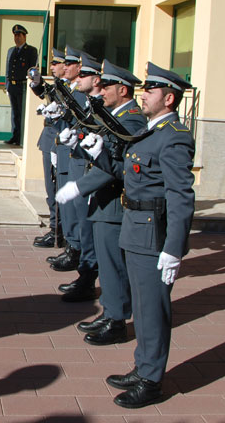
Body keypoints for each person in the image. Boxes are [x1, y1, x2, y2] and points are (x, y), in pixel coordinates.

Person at [87, 61, 195, 409]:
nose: (144, 94)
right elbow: (127, 174)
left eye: (152, 89)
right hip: (134, 228)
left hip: (153, 234)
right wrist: (99, 155)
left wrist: (174, 249)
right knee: (144, 310)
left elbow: (181, 196)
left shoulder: (174, 138)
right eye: (145, 88)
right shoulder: (150, 131)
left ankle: (151, 380)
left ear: (170, 99)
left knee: (152, 309)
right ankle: (143, 366)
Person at [55, 60, 146, 344]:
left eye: (107, 86)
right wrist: (77, 145)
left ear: (122, 89)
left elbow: (113, 164)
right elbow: (100, 150)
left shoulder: (131, 118)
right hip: (104, 202)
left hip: (113, 202)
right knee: (107, 265)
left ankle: (116, 320)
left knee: (113, 265)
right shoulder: (114, 113)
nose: (102, 90)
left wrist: (78, 187)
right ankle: (111, 313)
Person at [50, 47, 101, 304]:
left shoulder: (98, 104)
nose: (77, 78)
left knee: (88, 227)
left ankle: (87, 277)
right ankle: (85, 273)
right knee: (80, 220)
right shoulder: (87, 100)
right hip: (81, 164)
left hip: (92, 173)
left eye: (83, 74)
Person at [29, 48, 66, 249]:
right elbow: (47, 93)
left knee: (57, 188)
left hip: (59, 139)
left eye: (56, 63)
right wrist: (36, 82)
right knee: (50, 189)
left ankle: (59, 231)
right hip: (50, 137)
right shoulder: (60, 85)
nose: (51, 67)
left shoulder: (71, 87)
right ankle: (56, 228)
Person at [4, 24, 38, 145]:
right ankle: (15, 135)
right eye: (15, 35)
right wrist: (6, 85)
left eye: (19, 35)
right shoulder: (11, 50)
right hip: (12, 86)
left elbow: (33, 69)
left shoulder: (31, 51)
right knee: (14, 113)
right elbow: (8, 69)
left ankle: (22, 137)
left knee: (22, 112)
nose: (17, 38)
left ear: (24, 36)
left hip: (22, 86)